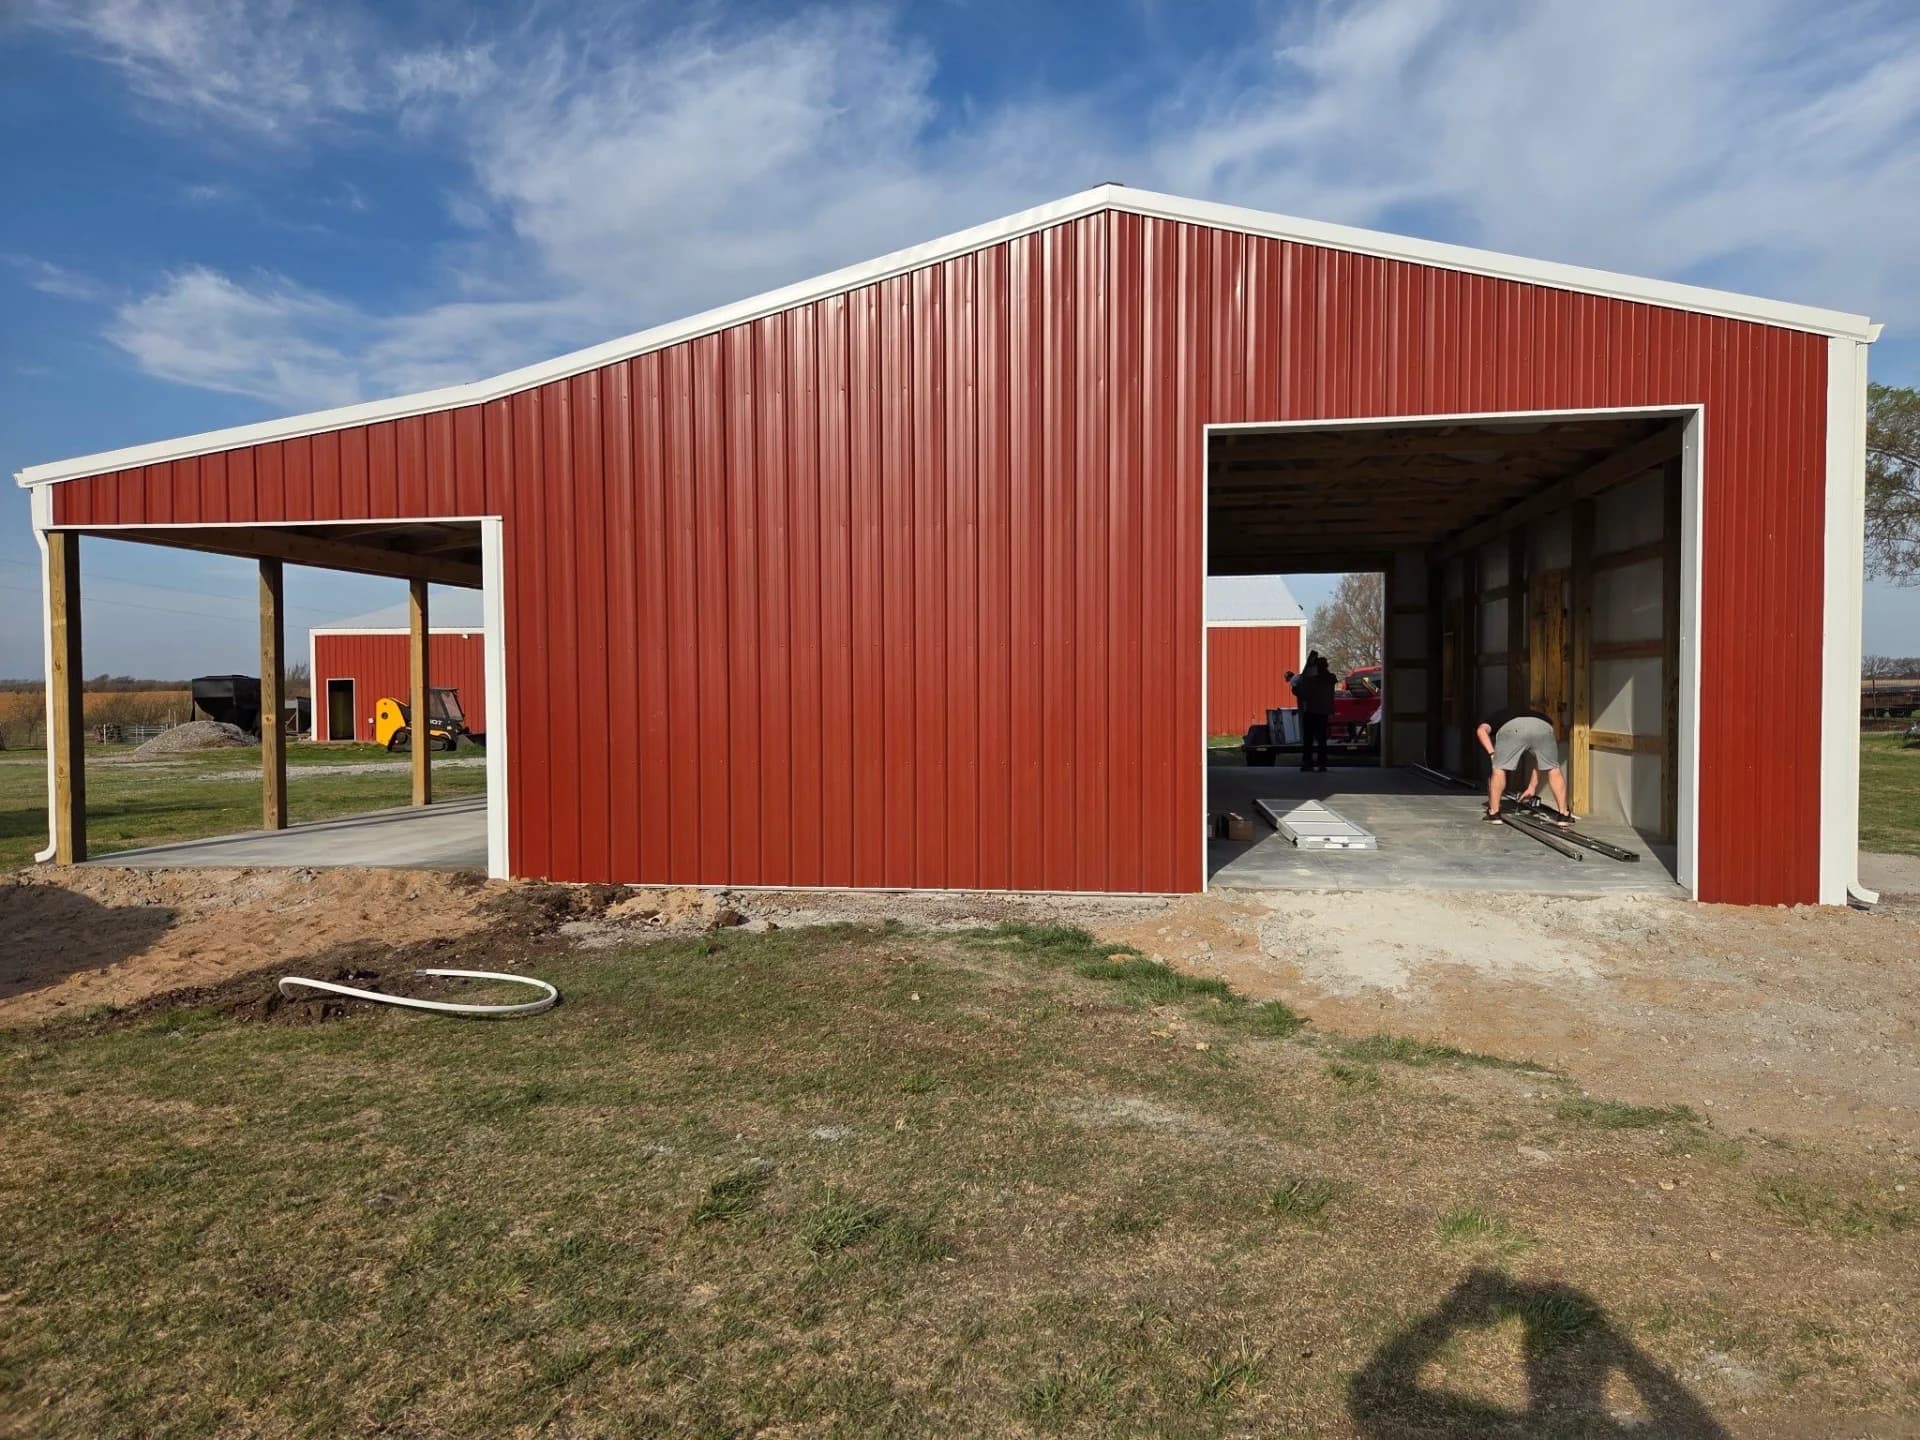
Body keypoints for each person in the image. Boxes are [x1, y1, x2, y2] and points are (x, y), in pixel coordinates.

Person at [1476, 704, 1573, 825]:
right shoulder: (1538, 715)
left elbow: (1481, 731)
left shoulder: (1495, 718)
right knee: (1553, 768)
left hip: (1512, 728)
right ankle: (1563, 815)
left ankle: (1494, 813)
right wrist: (1532, 787)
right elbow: (1540, 761)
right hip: (1544, 727)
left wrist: (1492, 754)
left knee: (1499, 768)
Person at [1286, 652, 1338, 773]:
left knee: (1308, 739)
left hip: (1311, 711)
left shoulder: (1311, 680)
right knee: (1321, 739)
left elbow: (1304, 693)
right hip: (1324, 712)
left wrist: (1295, 689)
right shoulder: (1330, 679)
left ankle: (1308, 762)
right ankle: (1322, 763)